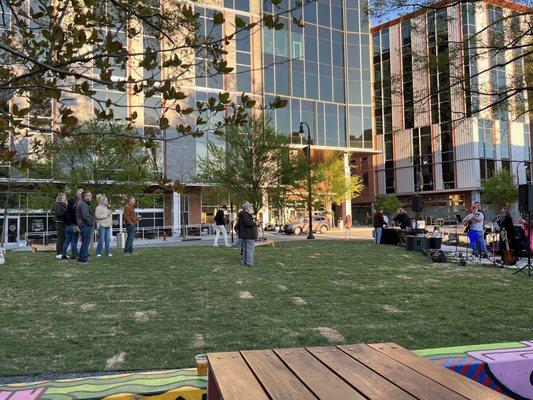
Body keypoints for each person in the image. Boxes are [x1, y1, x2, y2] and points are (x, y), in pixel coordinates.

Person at [63, 187, 83, 259]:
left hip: (68, 226)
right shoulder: (75, 207)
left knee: (67, 241)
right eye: (78, 193)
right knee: (74, 241)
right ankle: (74, 255)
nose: (79, 195)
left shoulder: (68, 207)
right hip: (74, 225)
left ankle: (63, 255)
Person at [235, 202, 258, 267]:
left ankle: (244, 262)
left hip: (244, 235)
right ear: (247, 208)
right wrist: (255, 223)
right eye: (250, 207)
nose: (250, 208)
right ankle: (249, 263)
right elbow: (248, 223)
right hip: (249, 235)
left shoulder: (241, 216)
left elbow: (237, 226)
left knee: (245, 250)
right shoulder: (245, 215)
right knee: (250, 250)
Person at [75, 191, 93, 263]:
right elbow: (85, 216)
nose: (90, 197)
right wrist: (90, 223)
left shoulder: (81, 203)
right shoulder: (83, 204)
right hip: (85, 225)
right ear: (85, 196)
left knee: (84, 242)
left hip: (82, 225)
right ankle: (84, 258)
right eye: (89, 195)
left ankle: (80, 257)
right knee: (86, 242)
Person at [52, 193, 68, 259]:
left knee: (64, 239)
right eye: (63, 198)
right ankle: (58, 253)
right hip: (60, 223)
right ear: (60, 198)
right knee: (60, 239)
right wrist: (66, 212)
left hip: (65, 223)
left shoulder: (65, 205)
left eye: (65, 198)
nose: (64, 199)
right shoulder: (57, 204)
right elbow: (57, 213)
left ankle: (63, 253)